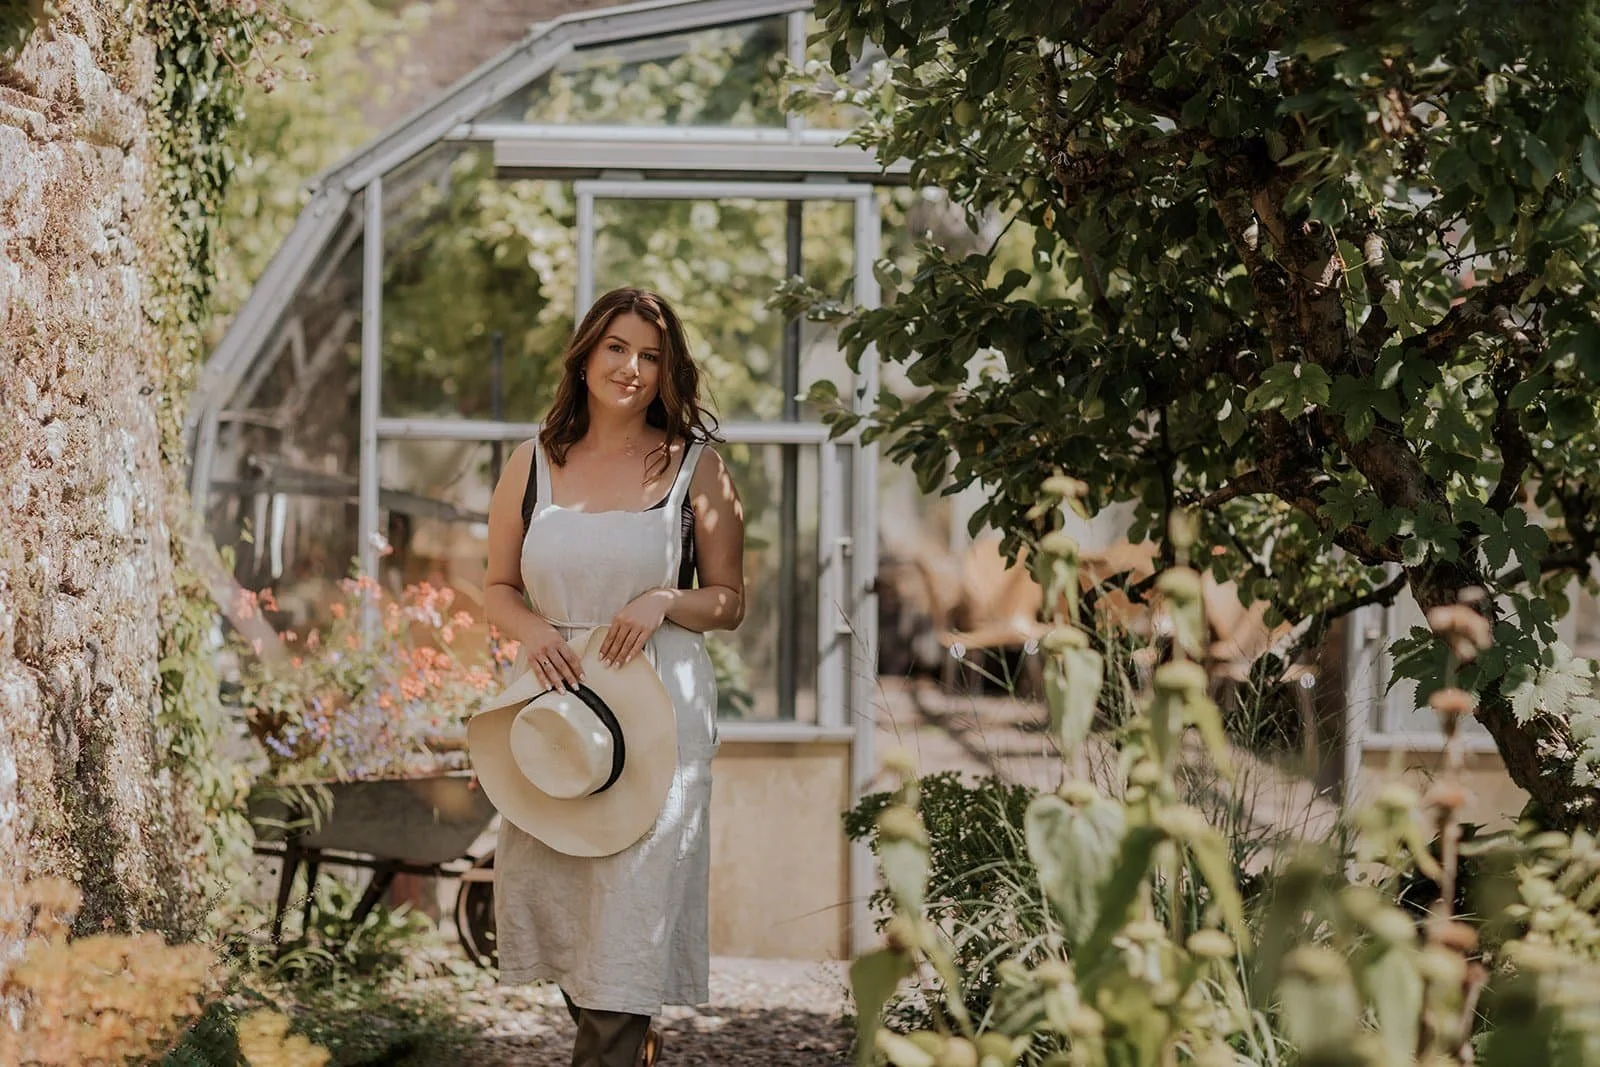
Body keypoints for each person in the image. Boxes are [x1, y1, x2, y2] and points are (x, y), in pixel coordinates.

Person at [482, 287, 746, 1067]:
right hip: (554, 711)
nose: (633, 368)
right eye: (617, 348)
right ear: (587, 355)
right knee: (563, 909)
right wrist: (534, 630)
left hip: (658, 713)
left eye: (652, 355)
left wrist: (666, 597)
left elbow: (730, 601)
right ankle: (629, 1039)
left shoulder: (699, 468)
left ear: (670, 371)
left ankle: (619, 1039)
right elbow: (497, 586)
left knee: (629, 916)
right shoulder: (530, 463)